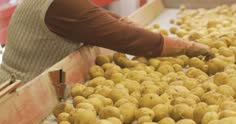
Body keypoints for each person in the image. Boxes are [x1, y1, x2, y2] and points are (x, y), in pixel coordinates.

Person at [0, 0, 213, 85]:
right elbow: (131, 40)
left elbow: (98, 17)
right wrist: (189, 47)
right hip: (19, 91)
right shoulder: (60, 4)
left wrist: (125, 22)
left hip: (29, 82)